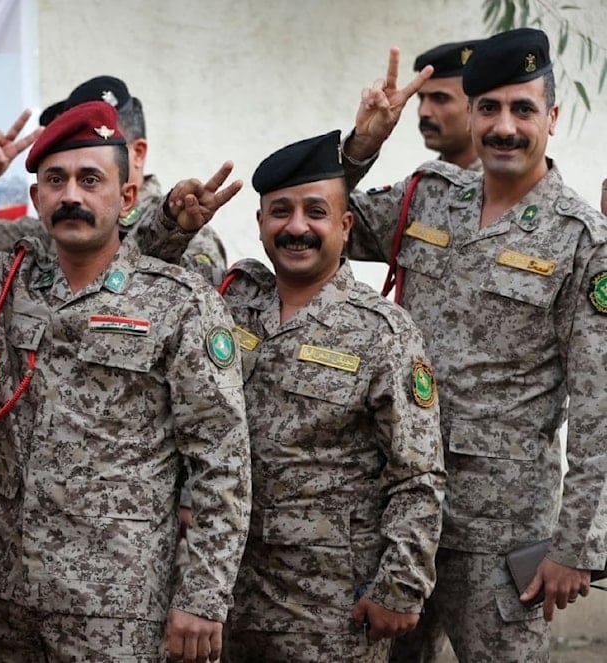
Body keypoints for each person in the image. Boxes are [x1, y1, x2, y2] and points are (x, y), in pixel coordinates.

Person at [0, 49, 252, 663]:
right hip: (10, 590)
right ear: (36, 196)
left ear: (128, 194)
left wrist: (204, 596)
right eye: (56, 181)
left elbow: (222, 461)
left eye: (90, 180)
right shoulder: (10, 281)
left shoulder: (179, 302)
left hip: (118, 597)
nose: (71, 195)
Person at [343, 29, 607, 662]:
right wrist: (361, 146)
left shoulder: (582, 240)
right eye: (489, 108)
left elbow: (601, 406)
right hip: (397, 510)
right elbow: (325, 223)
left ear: (552, 116)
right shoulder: (428, 196)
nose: (505, 127)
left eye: (523, 109)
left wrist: (579, 546)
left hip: (500, 531)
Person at [136, 129, 446, 662]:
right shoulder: (231, 301)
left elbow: (417, 474)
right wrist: (170, 228)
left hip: (328, 610)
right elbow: (132, 285)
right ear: (259, 224)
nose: (296, 227)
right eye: (280, 211)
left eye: (315, 212)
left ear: (345, 226)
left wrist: (400, 585)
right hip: (225, 592)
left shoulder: (384, 333)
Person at [0, 74, 229, 272]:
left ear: (136, 154)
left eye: (99, 141)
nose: (72, 194)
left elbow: (187, 300)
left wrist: (170, 231)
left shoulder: (188, 230)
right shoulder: (51, 226)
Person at [412, 40, 482, 170]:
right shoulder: (423, 182)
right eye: (421, 98)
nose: (423, 111)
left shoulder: (505, 184)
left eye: (440, 98)